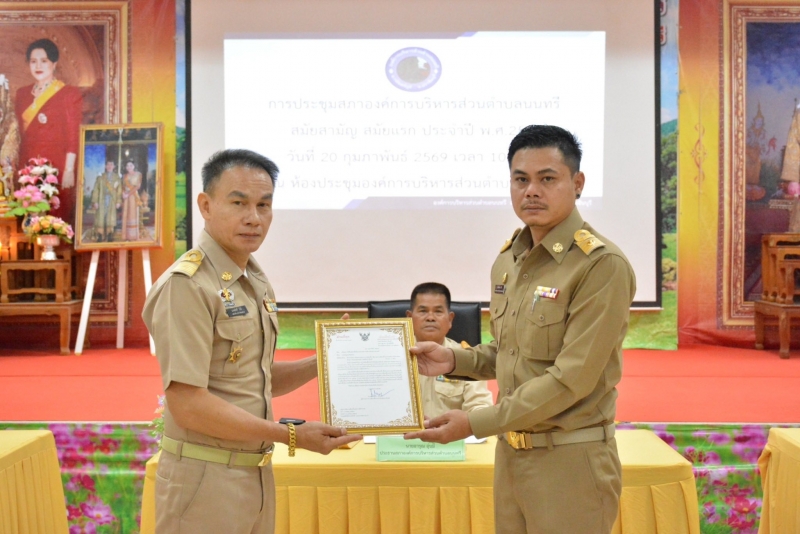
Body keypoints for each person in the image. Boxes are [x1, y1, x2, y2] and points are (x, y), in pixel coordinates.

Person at [406, 125, 636, 534]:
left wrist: (475, 423)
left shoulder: (601, 265)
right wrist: (453, 360)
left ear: (577, 183)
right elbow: (510, 352)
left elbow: (570, 379)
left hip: (569, 463)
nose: (531, 191)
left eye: (547, 179)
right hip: (511, 455)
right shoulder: (510, 260)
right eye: (521, 179)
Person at [142, 149, 360, 534]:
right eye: (239, 203)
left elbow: (254, 376)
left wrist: (324, 361)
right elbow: (188, 404)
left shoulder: (254, 279)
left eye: (264, 205)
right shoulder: (187, 285)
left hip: (253, 474)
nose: (253, 218)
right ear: (205, 205)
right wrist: (291, 434)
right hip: (204, 479)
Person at [15, 38, 82, 224]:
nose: (38, 66)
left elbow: (73, 135)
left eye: (44, 61)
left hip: (57, 166)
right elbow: (17, 133)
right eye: (33, 61)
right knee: (29, 218)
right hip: (27, 165)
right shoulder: (22, 94)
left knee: (55, 218)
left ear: (54, 63)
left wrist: (69, 169)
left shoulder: (68, 94)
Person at [406, 282, 493, 418]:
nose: (430, 318)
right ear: (409, 318)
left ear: (450, 319)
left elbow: (480, 405)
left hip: (453, 432)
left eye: (438, 311)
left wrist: (468, 422)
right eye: (423, 311)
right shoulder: (392, 357)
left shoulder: (466, 358)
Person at [90, 161, 121, 241]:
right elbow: (96, 190)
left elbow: (119, 191)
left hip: (112, 200)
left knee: (110, 217)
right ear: (105, 166)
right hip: (101, 199)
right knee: (101, 217)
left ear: (114, 166)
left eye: (111, 164)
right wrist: (95, 201)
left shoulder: (117, 178)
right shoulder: (100, 177)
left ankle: (109, 234)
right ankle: (100, 235)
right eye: (108, 164)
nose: (109, 166)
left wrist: (118, 201)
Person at [121, 160, 142, 240]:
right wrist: (123, 193)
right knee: (126, 214)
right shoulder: (124, 176)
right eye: (127, 166)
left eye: (130, 165)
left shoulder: (138, 174)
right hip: (126, 197)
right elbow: (123, 186)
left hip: (133, 196)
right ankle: (126, 236)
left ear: (134, 166)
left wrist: (128, 194)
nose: (129, 167)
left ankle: (133, 236)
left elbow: (138, 186)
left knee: (132, 214)